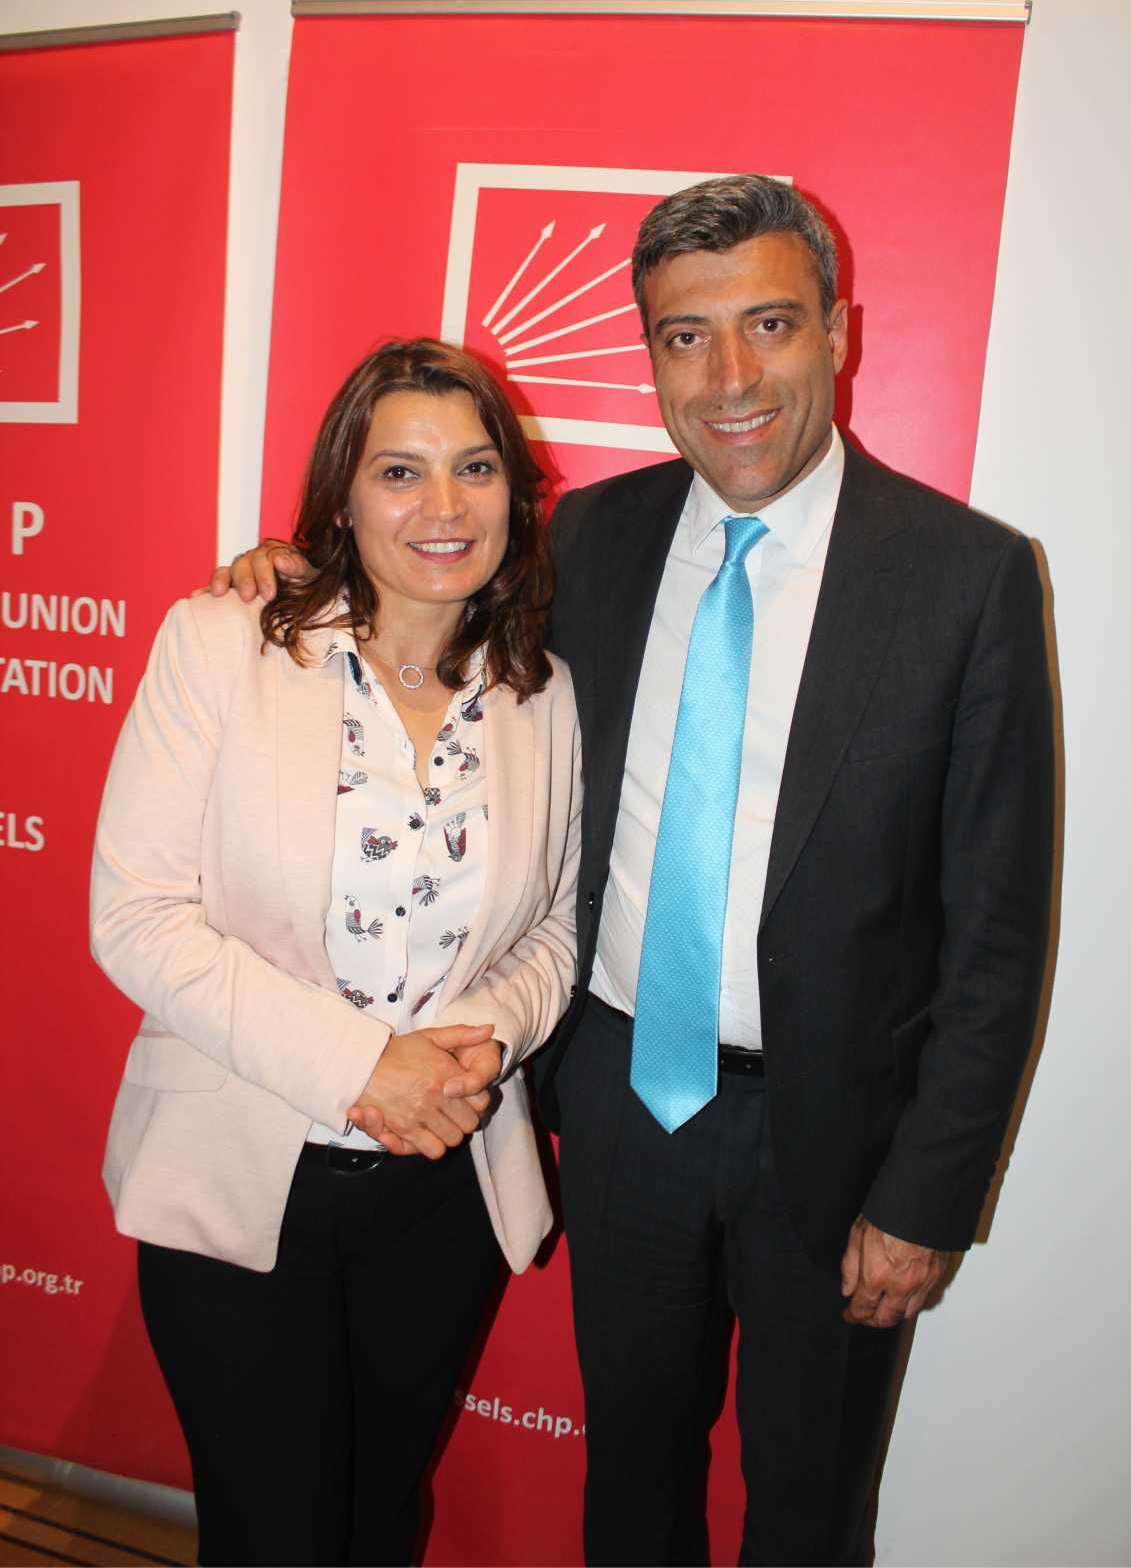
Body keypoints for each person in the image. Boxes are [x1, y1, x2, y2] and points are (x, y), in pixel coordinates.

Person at [216, 176, 1054, 1568]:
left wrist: (926, 1192)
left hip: (838, 1140)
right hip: (618, 1108)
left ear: (839, 332)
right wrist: (287, 570)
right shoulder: (587, 540)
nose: (729, 378)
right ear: (650, 353)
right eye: (684, 336)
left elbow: (997, 932)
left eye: (769, 324)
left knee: (808, 1513)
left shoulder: (964, 579)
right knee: (631, 1489)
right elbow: (417, 603)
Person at [92, 338, 581, 1568]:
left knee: (376, 1520)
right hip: (243, 1177)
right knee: (277, 1536)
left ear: (515, 494)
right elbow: (136, 913)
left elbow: (558, 927)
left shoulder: (542, 692)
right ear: (344, 497)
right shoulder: (225, 641)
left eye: (476, 467)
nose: (443, 504)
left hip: (442, 1188)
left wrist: (481, 1046)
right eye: (400, 471)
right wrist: (365, 1066)